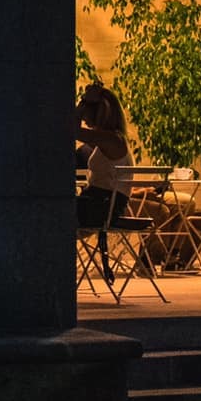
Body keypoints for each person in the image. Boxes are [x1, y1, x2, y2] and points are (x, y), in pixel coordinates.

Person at [76, 81, 131, 281]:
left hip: (102, 207)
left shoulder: (110, 139)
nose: (84, 119)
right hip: (100, 204)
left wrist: (83, 102)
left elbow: (70, 130)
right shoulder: (111, 139)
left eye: (87, 114)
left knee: (50, 215)